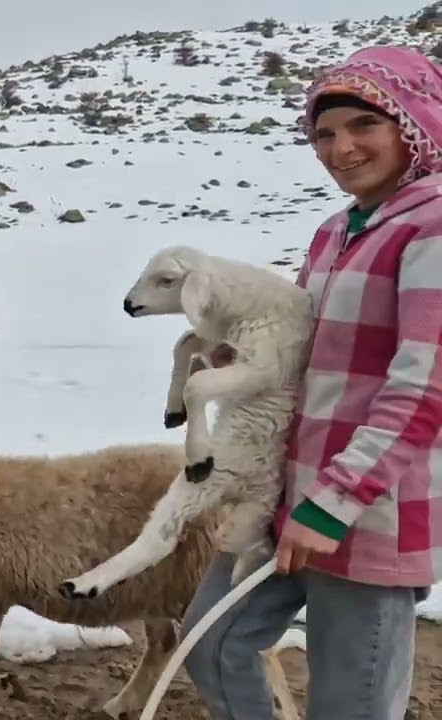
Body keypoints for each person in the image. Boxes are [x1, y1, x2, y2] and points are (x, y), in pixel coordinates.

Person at [180, 45, 442, 719]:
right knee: (209, 644)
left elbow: (425, 389)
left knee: (348, 703)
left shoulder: (433, 225)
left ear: (414, 122)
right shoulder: (337, 230)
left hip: (371, 509)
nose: (341, 149)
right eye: (324, 134)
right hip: (286, 494)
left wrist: (335, 501)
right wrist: (233, 368)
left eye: (363, 126)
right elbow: (297, 352)